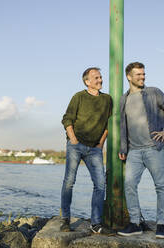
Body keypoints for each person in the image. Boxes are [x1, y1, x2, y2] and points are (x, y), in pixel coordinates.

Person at [117, 62, 164, 239]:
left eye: (143, 74)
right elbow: (123, 125)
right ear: (129, 77)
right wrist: (123, 147)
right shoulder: (124, 99)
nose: (142, 77)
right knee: (129, 184)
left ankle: (161, 224)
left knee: (160, 186)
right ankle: (135, 223)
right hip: (134, 151)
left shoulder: (154, 92)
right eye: (138, 75)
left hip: (154, 148)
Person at [60, 67, 112, 234]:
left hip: (94, 148)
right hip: (76, 145)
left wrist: (101, 143)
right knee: (69, 182)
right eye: (96, 78)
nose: (100, 80)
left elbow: (108, 124)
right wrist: (73, 139)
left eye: (101, 77)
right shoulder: (79, 97)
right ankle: (65, 220)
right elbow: (67, 118)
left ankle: (96, 223)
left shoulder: (107, 99)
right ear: (87, 81)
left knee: (100, 184)